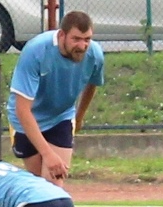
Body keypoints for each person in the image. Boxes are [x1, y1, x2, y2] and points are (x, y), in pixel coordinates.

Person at [8, 11, 104, 181]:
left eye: (87, 39)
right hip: (26, 121)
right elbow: (22, 110)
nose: (82, 46)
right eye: (76, 39)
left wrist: (79, 117)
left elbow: (92, 84)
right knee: (38, 187)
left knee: (52, 186)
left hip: (61, 118)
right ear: (61, 35)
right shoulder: (35, 51)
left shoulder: (95, 54)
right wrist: (48, 154)